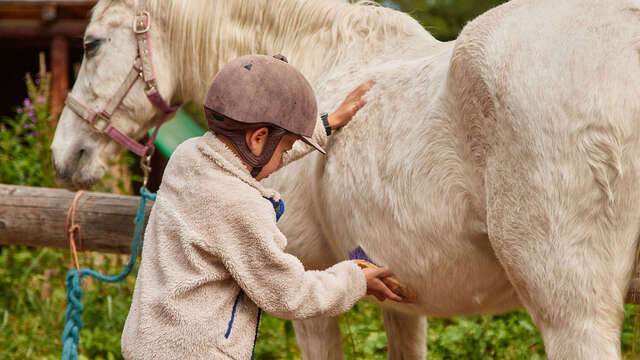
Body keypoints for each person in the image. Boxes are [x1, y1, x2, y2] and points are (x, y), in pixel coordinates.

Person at [121, 54, 402, 360]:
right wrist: (355, 279)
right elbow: (289, 293)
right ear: (258, 139)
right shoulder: (240, 206)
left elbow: (253, 162)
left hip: (149, 343)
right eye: (285, 147)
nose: (283, 158)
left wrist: (327, 123)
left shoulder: (187, 156)